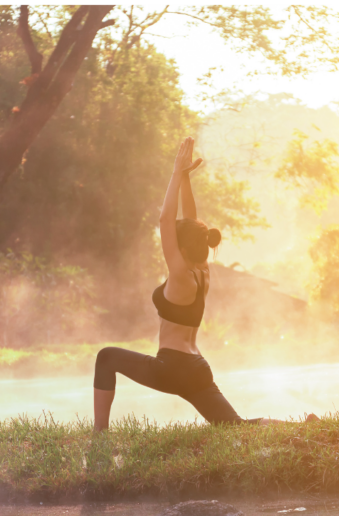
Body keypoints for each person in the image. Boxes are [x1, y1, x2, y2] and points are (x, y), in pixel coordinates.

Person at [92, 136, 318, 431]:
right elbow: (191, 223)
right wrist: (186, 179)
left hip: (171, 367)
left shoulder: (180, 275)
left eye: (175, 242)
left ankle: (99, 435)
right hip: (197, 368)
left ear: (181, 250)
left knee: (106, 357)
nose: (170, 242)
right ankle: (304, 426)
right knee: (235, 425)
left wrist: (175, 171)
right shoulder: (202, 271)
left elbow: (165, 220)